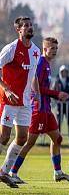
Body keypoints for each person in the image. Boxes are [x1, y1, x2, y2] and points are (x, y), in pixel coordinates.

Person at [7, 37, 69, 183]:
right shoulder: (40, 63)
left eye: (56, 48)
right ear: (45, 49)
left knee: (57, 139)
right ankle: (12, 172)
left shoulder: (48, 65)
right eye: (52, 48)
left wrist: (55, 96)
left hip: (47, 109)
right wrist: (57, 94)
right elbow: (35, 88)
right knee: (28, 142)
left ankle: (58, 172)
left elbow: (43, 89)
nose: (55, 51)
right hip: (37, 108)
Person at [0, 17, 41, 188]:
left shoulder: (36, 51)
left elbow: (33, 73)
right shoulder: (11, 49)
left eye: (31, 25)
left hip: (25, 102)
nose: (29, 28)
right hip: (9, 101)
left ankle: (3, 172)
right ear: (19, 30)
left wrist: (37, 92)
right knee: (4, 137)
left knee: (22, 138)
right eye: (26, 26)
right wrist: (6, 89)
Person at [51, 65, 69, 145]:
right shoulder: (56, 81)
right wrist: (57, 101)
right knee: (59, 122)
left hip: (68, 106)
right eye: (63, 71)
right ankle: (58, 138)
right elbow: (53, 92)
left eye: (65, 71)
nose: (64, 73)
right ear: (60, 72)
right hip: (59, 106)